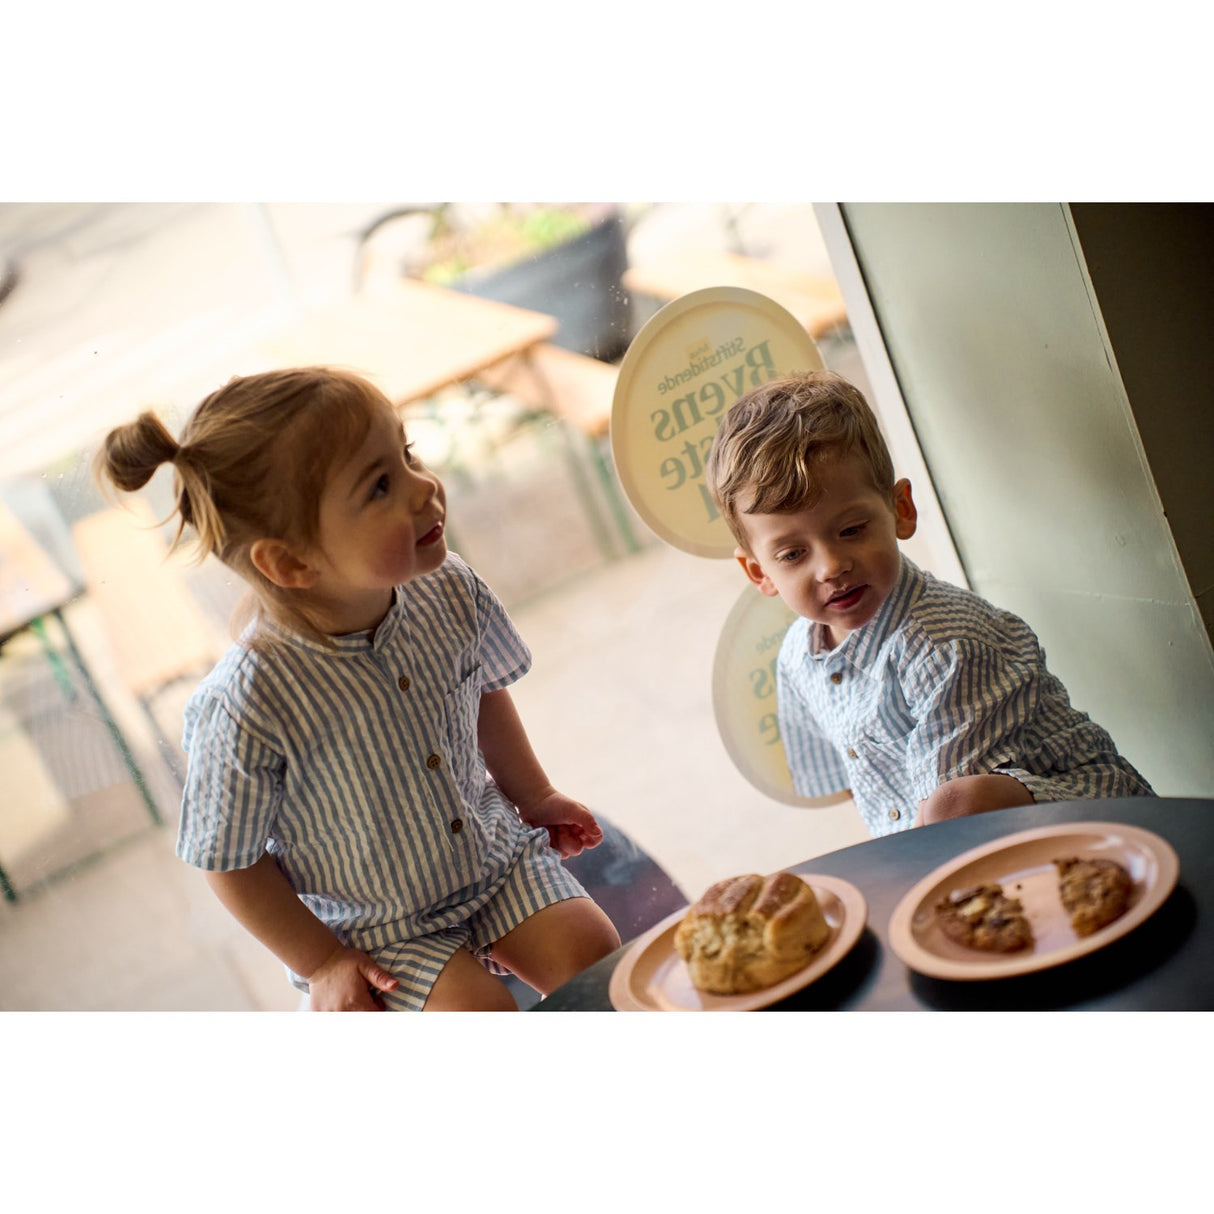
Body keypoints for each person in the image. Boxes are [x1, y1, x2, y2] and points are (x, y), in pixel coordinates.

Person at [95, 366, 620, 1010]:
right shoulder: (248, 702)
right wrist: (321, 961)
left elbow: (480, 690)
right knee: (480, 1015)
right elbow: (226, 859)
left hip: (491, 861)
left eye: (406, 455)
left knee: (596, 958)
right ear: (290, 562)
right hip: (376, 929)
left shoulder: (448, 588)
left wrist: (534, 794)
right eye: (379, 487)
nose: (424, 487)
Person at [704, 369, 1154, 837]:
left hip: (1100, 818)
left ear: (901, 510)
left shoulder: (943, 643)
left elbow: (950, 826)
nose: (831, 566)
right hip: (971, 842)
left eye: (851, 530)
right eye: (793, 554)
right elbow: (859, 790)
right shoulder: (799, 657)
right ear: (760, 572)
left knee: (955, 804)